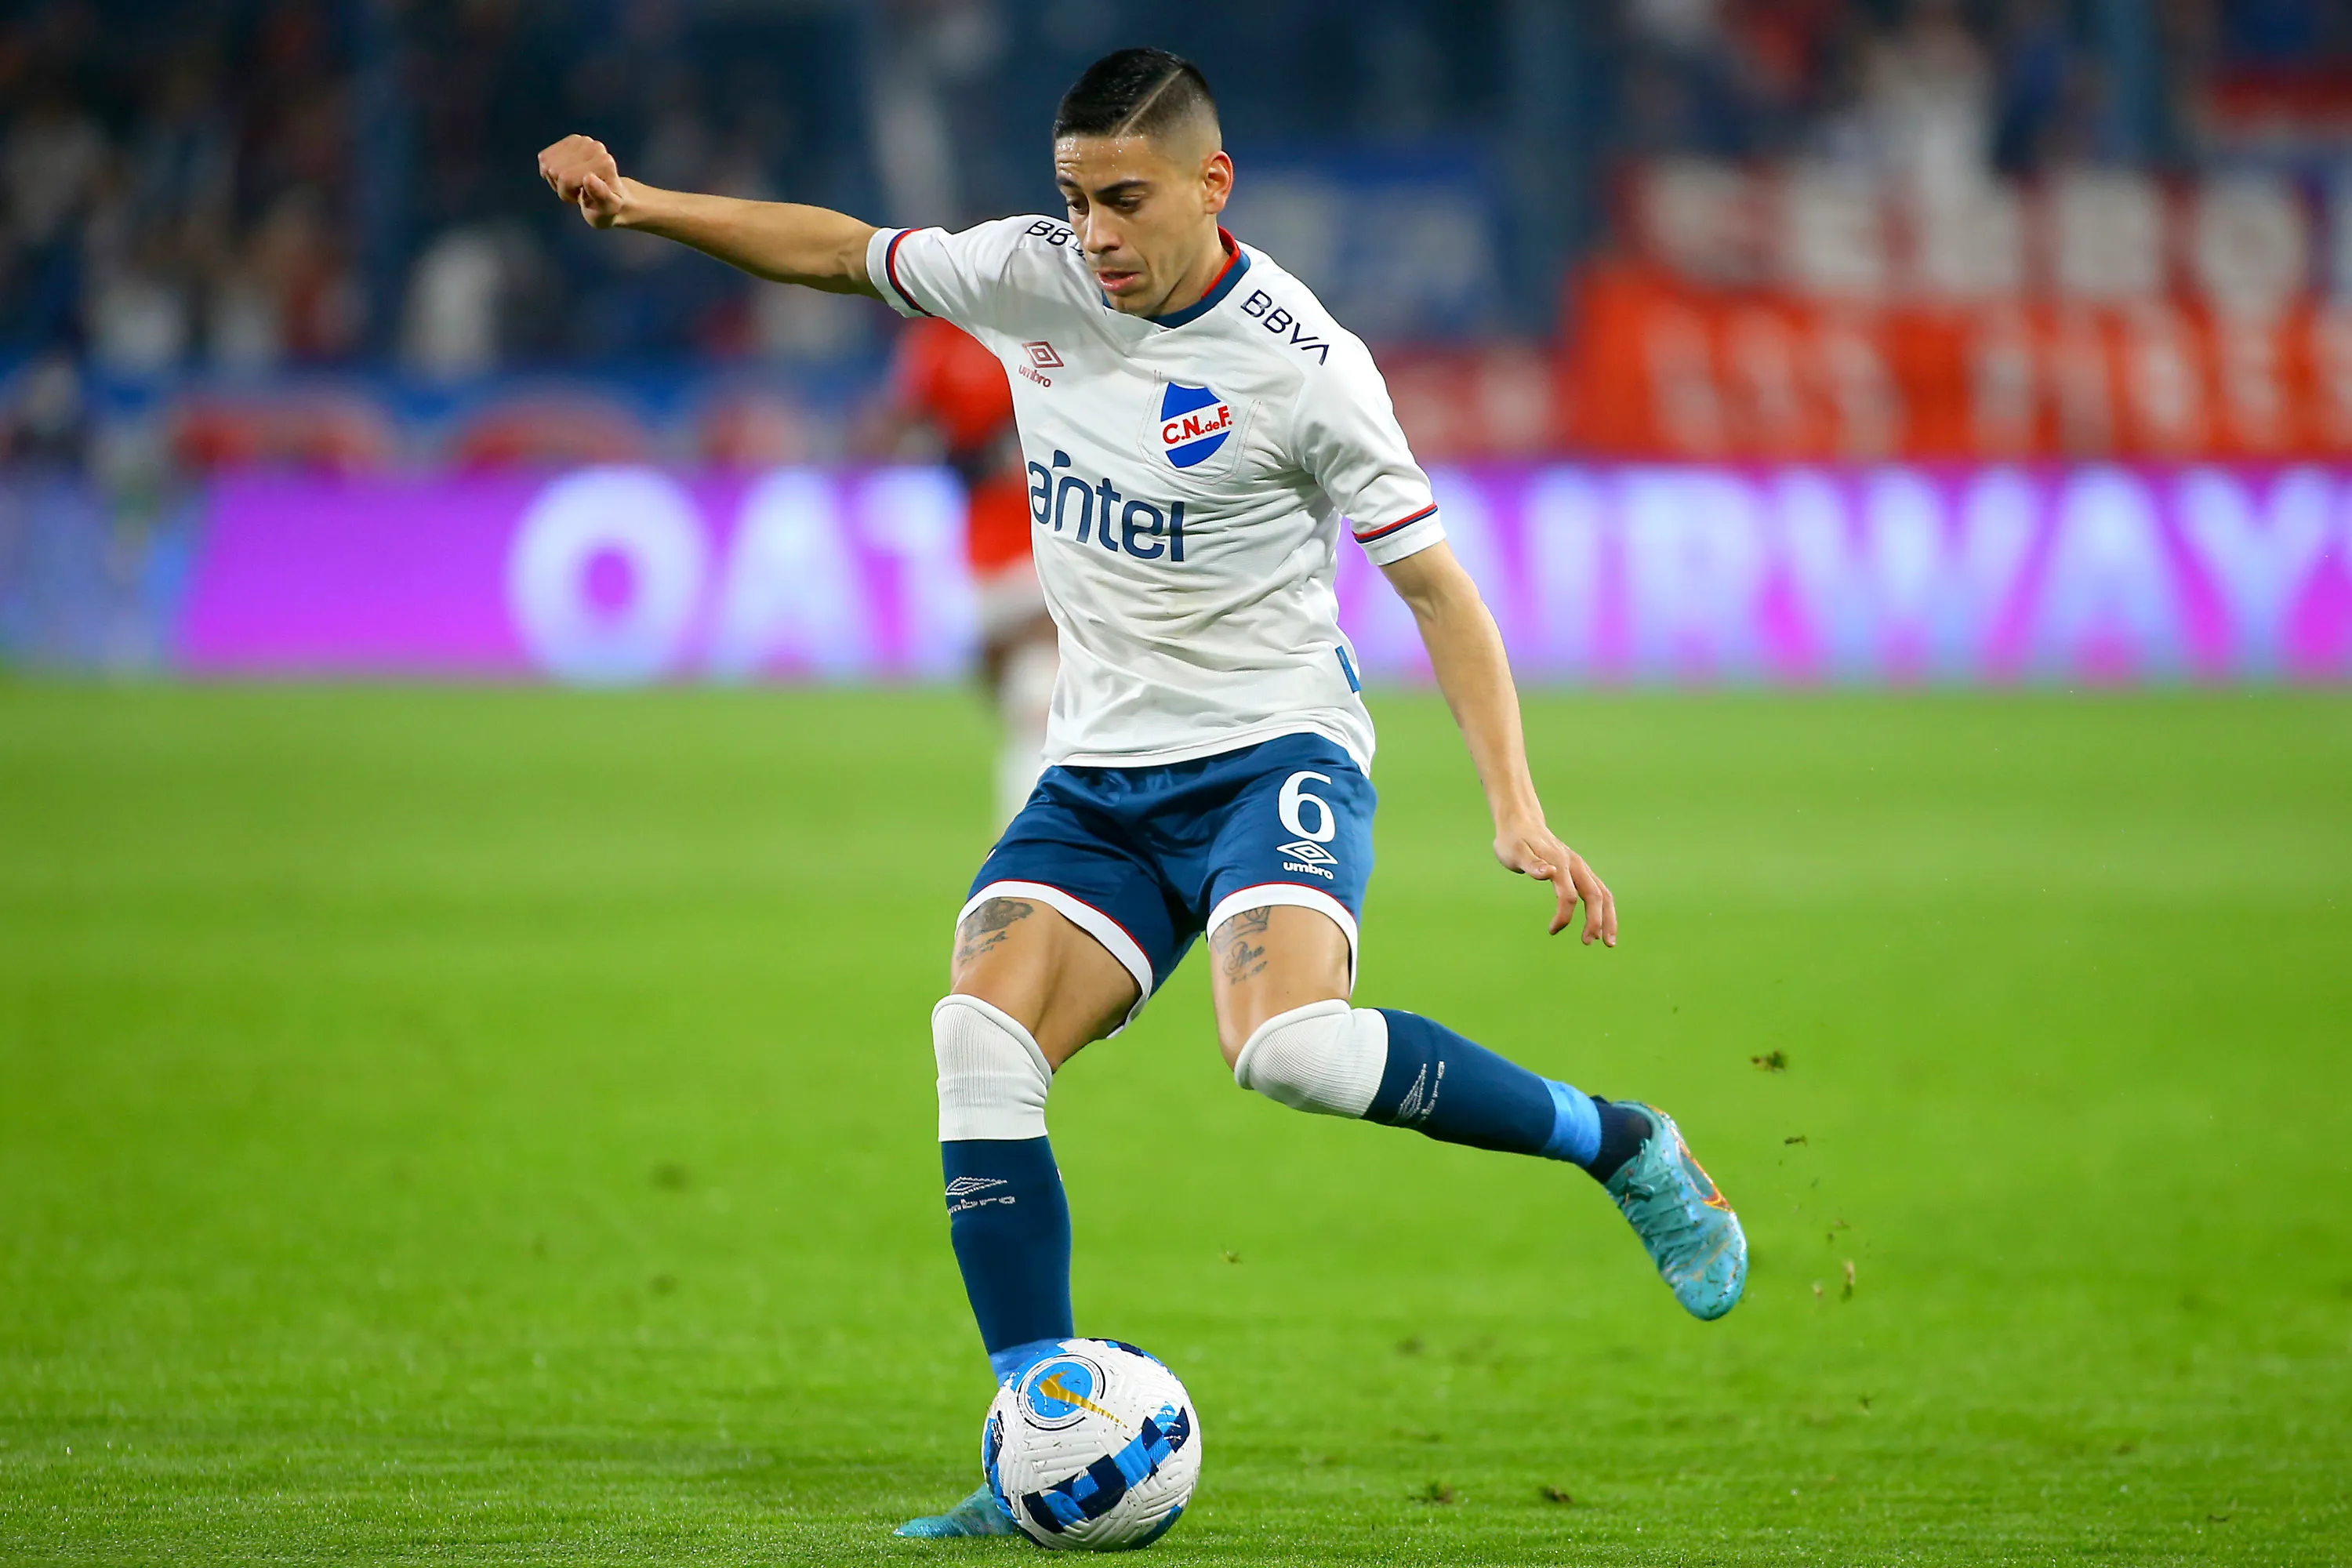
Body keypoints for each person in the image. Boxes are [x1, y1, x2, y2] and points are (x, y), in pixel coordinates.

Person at [538, 45, 1746, 1541]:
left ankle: (1622, 1144)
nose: (1094, 232)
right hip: (1100, 768)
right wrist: (640, 202)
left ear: (1207, 184)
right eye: (1073, 199)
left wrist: (1517, 806)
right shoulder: (1027, 278)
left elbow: (1439, 591)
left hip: (1272, 753)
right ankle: (1036, 1449)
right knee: (976, 1039)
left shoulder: (1305, 364)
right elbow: (838, 250)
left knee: (1288, 1050)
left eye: (1124, 199)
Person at [869, 314, 1058, 826]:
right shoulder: (938, 343)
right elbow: (906, 427)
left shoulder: (1053, 329)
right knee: (1030, 706)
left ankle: (1025, 848)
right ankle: (1031, 847)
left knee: (1040, 707)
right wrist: (964, 454)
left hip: (1053, 559)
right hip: (995, 564)